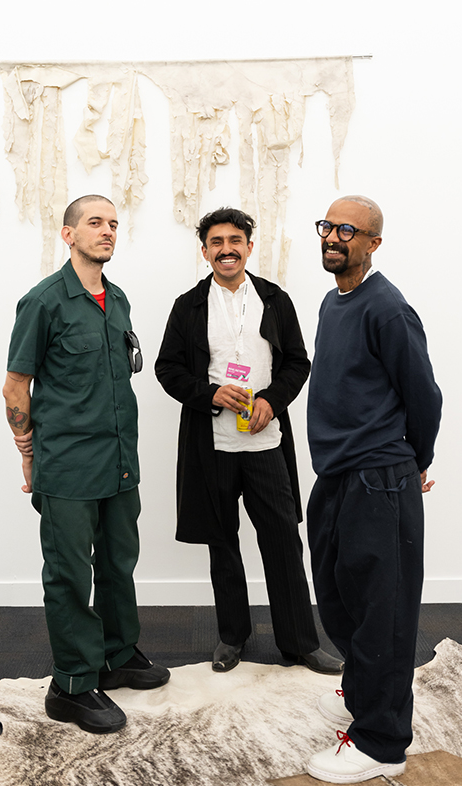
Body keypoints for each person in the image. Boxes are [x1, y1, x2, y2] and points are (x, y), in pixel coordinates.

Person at [2, 194, 169, 735]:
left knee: (119, 562)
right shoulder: (43, 302)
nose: (107, 231)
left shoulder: (116, 299)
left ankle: (117, 655)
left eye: (114, 224)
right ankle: (72, 684)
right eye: (95, 222)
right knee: (70, 574)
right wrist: (28, 456)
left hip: (119, 460)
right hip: (68, 465)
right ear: (68, 234)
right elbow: (15, 386)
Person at [155, 207, 343, 675]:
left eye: (234, 241)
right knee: (222, 544)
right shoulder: (188, 305)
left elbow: (297, 363)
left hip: (265, 441)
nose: (226, 249)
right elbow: (167, 368)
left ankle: (300, 643)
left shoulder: (275, 300)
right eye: (216, 242)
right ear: (205, 252)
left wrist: (272, 401)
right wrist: (210, 393)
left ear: (249, 247)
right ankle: (232, 636)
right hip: (212, 445)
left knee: (283, 542)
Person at [305, 195, 442, 783]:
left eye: (348, 230)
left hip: (380, 477)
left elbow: (424, 395)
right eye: (328, 226)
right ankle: (362, 691)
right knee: (340, 596)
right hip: (337, 474)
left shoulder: (387, 309)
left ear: (372, 243)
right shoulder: (333, 302)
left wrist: (414, 461)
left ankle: (381, 742)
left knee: (383, 611)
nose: (333, 237)